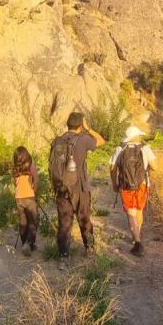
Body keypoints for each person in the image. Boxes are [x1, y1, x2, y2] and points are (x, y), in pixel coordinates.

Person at [49, 112, 105, 271]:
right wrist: (89, 129)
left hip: (61, 189)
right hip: (80, 188)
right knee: (84, 219)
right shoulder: (84, 140)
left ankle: (63, 258)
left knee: (64, 223)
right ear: (81, 125)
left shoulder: (57, 141)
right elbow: (101, 141)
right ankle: (89, 249)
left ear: (67, 124)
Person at [110, 126, 156, 256]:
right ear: (137, 136)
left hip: (125, 186)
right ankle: (137, 235)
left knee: (131, 213)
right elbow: (155, 167)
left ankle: (137, 240)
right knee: (139, 210)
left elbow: (112, 168)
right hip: (142, 185)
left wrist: (115, 183)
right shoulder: (145, 149)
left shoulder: (119, 150)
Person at [12, 146, 39, 256]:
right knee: (33, 221)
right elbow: (36, 181)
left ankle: (24, 243)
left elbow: (15, 183)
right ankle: (30, 243)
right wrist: (34, 191)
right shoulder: (31, 166)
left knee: (23, 222)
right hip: (30, 197)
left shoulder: (14, 168)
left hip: (19, 199)